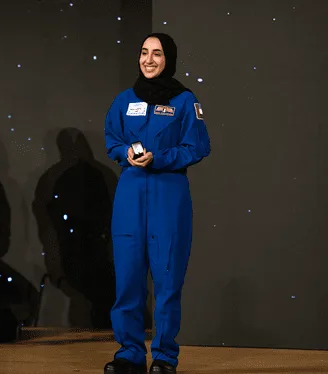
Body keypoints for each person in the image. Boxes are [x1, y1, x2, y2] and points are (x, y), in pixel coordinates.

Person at [103, 33, 211, 374]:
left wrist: (160, 158)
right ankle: (130, 354)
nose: (149, 59)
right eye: (145, 53)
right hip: (131, 195)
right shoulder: (124, 100)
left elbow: (198, 146)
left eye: (158, 54)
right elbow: (113, 139)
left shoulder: (184, 100)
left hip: (168, 194)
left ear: (170, 59)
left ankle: (164, 357)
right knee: (128, 280)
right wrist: (126, 153)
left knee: (167, 279)